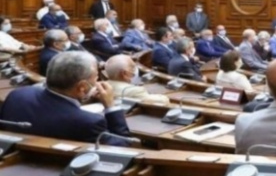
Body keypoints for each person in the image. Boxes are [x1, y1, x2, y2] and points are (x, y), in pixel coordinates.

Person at [0, 51, 132, 146]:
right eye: (96, 77)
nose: (97, 81)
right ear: (82, 87)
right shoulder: (89, 122)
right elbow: (123, 145)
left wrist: (82, 98)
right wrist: (110, 106)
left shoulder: (17, 95)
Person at [105, 54, 169, 104]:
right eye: (132, 67)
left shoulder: (101, 87)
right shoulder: (135, 91)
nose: (135, 70)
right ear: (124, 74)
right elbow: (163, 101)